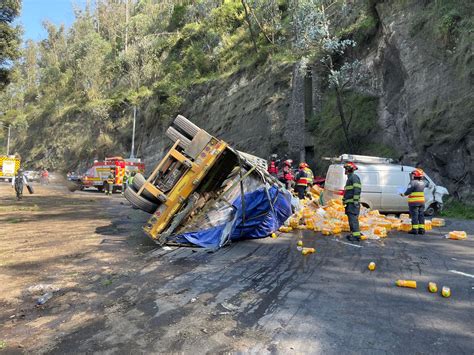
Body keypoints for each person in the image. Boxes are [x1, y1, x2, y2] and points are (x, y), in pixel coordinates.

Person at [401, 169, 426, 235]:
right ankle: (422, 230)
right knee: (421, 216)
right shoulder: (423, 183)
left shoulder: (412, 182)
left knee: (415, 216)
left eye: (413, 174)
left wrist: (403, 194)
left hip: (414, 203)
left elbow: (408, 191)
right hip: (421, 202)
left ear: (415, 175)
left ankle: (415, 230)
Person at [343, 162, 362, 242]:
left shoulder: (354, 177)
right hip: (349, 204)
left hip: (352, 204)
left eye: (346, 169)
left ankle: (356, 236)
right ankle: (353, 234)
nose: (345, 170)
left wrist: (355, 201)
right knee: (351, 219)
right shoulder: (350, 178)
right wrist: (344, 200)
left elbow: (357, 190)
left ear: (349, 169)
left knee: (353, 220)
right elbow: (348, 192)